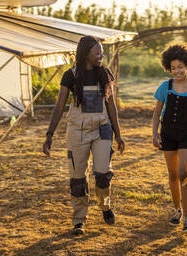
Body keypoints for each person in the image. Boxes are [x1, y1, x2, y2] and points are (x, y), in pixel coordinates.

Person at [42, 35, 125, 236]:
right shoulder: (70, 76)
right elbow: (60, 106)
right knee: (78, 178)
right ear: (86, 53)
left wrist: (118, 135)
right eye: (97, 52)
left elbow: (111, 106)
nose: (101, 55)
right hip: (77, 131)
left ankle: (105, 206)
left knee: (103, 173)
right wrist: (49, 134)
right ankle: (79, 220)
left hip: (102, 128)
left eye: (102, 53)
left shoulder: (105, 74)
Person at [152, 42, 187, 233]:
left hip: (186, 134)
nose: (177, 71)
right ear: (169, 67)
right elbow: (156, 112)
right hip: (167, 134)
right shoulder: (164, 87)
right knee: (172, 174)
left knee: (184, 173)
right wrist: (154, 133)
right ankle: (176, 209)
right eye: (173, 68)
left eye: (181, 67)